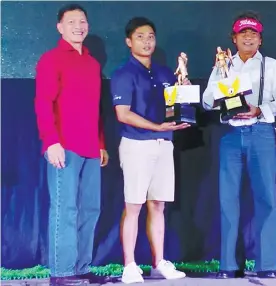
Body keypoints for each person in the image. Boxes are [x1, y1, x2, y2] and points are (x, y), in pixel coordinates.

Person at [202, 11, 276, 279]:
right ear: (234, 38)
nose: (249, 37)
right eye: (243, 33)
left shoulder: (272, 66)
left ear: (260, 40)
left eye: (253, 33)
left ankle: (267, 265)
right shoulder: (222, 65)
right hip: (230, 135)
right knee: (227, 199)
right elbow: (207, 100)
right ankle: (229, 265)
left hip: (261, 133)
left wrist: (259, 109)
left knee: (266, 197)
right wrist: (221, 99)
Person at [34, 4, 109, 285]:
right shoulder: (51, 59)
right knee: (65, 209)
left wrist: (101, 143)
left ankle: (80, 267)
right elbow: (43, 103)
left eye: (83, 21)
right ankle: (61, 273)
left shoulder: (92, 64)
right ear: (60, 27)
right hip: (63, 146)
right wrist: (50, 141)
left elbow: (95, 109)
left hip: (91, 148)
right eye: (72, 21)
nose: (79, 26)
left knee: (90, 209)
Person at [110, 16, 189, 284]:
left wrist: (184, 93)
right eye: (141, 37)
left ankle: (159, 263)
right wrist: (156, 127)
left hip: (164, 144)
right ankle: (129, 265)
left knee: (158, 204)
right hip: (136, 144)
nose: (147, 41)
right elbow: (123, 114)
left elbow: (176, 106)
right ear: (129, 41)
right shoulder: (123, 74)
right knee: (134, 205)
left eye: (151, 36)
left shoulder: (166, 72)